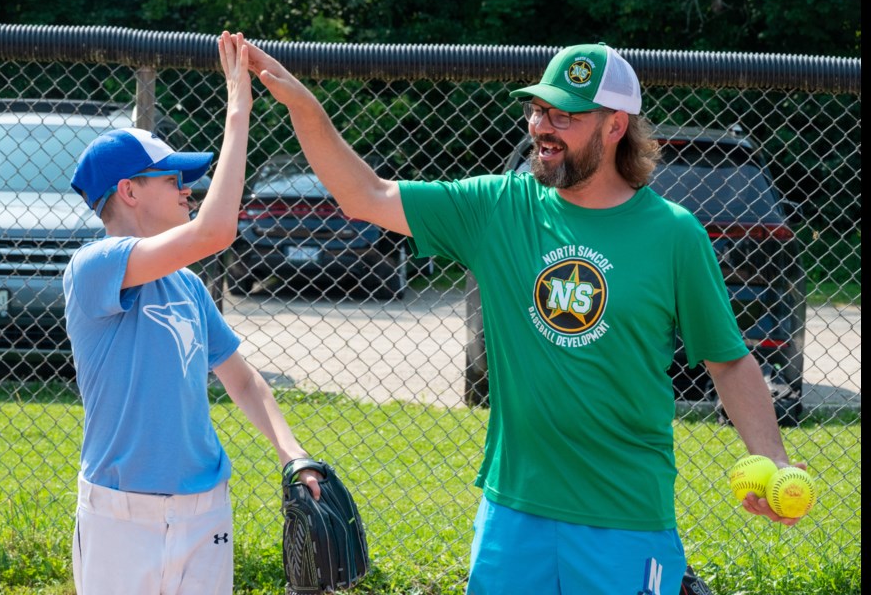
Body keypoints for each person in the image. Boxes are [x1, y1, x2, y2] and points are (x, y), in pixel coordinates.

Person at [239, 39, 810, 594]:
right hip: (514, 512)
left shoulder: (674, 234)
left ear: (615, 127)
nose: (542, 126)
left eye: (564, 115)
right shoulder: (498, 206)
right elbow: (366, 196)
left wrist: (770, 457)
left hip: (625, 514)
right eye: (539, 110)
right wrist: (305, 108)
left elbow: (729, 362)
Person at [63, 31, 321, 595]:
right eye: (173, 179)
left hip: (206, 508)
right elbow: (216, 230)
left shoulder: (186, 286)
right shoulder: (93, 269)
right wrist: (238, 110)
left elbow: (244, 381)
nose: (189, 189)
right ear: (128, 192)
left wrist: (293, 453)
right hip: (119, 514)